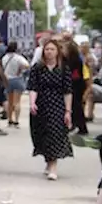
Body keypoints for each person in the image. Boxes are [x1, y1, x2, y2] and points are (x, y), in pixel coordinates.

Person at [27, 39, 73, 180]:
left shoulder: (64, 68)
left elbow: (67, 91)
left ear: (57, 51)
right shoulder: (37, 68)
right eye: (47, 49)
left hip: (57, 105)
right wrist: (32, 103)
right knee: (43, 134)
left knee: (55, 134)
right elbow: (33, 87)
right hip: (41, 105)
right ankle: (48, 161)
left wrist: (68, 111)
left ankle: (53, 166)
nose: (49, 52)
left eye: (52, 49)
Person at [1, 42, 30, 127]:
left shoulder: (4, 57)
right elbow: (27, 65)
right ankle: (16, 120)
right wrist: (20, 69)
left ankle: (10, 120)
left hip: (7, 80)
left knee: (9, 101)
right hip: (17, 79)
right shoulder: (18, 57)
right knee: (17, 102)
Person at [65, 40, 89, 135]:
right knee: (75, 107)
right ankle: (76, 125)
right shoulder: (75, 59)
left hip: (76, 86)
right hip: (77, 84)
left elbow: (74, 74)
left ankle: (81, 127)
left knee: (76, 107)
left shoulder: (73, 61)